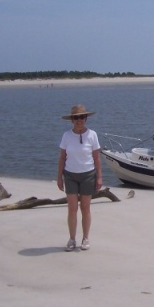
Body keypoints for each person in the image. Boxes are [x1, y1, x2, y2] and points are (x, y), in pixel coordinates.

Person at [57, 105, 103, 252]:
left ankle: (85, 238)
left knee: (85, 208)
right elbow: (62, 157)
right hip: (70, 175)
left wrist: (100, 177)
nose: (79, 120)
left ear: (86, 118)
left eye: (82, 117)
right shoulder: (66, 136)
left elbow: (97, 158)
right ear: (72, 120)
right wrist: (59, 178)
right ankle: (72, 239)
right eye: (76, 117)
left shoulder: (92, 135)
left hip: (88, 175)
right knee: (72, 209)